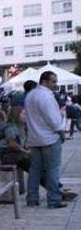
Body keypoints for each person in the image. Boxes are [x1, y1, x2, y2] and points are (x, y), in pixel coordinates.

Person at [25, 71, 66, 208]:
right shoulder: (46, 96)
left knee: (34, 170)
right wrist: (61, 131)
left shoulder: (30, 95)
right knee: (52, 169)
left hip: (34, 138)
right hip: (49, 138)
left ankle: (32, 198)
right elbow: (52, 118)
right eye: (53, 81)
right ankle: (54, 200)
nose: (55, 84)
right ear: (45, 81)